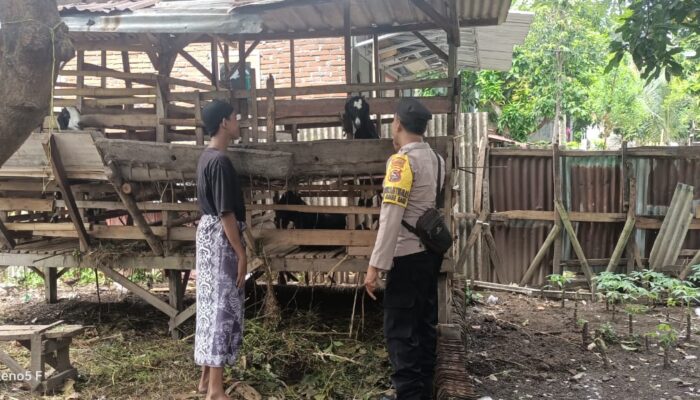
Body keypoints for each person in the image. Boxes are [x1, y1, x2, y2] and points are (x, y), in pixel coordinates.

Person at [364, 98, 445, 400]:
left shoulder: (401, 162)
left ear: (397, 123)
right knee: (424, 326)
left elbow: (391, 217)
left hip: (407, 258)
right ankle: (423, 392)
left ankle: (409, 395)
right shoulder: (438, 160)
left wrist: (375, 266)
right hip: (431, 256)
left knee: (400, 332)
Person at [194, 100, 247, 400]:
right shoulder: (221, 162)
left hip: (207, 235)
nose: (239, 122)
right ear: (225, 123)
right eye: (235, 117)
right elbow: (226, 213)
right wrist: (241, 252)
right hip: (221, 239)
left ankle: (205, 379)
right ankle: (215, 390)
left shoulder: (206, 157)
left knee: (209, 305)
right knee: (222, 309)